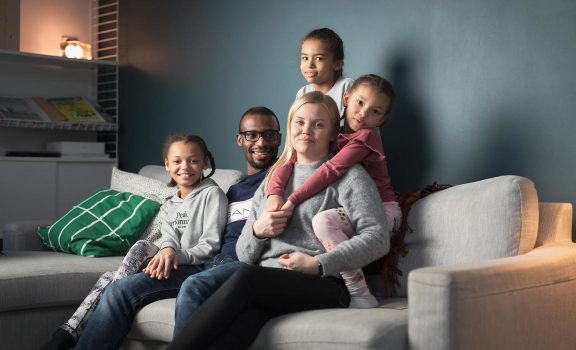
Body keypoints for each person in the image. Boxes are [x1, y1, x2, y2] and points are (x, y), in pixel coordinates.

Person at [167, 91, 390, 350]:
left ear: (332, 133)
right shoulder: (273, 179)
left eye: (318, 124)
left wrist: (319, 264)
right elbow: (245, 254)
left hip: (326, 283)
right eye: (299, 122)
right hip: (267, 282)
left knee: (245, 278)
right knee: (238, 330)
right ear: (290, 125)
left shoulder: (350, 176)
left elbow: (378, 237)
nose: (306, 130)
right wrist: (257, 231)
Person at [41, 134, 228, 350]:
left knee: (117, 286)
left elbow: (211, 246)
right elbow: (169, 238)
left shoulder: (212, 195)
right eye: (177, 161)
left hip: (196, 268)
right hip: (169, 265)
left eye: (193, 160)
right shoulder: (169, 205)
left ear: (205, 162)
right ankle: (66, 336)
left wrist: (176, 254)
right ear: (167, 164)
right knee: (111, 279)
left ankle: (66, 336)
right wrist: (168, 248)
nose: (185, 166)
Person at [266, 74, 401, 308]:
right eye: (360, 103)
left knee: (322, 221)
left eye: (375, 111)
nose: (363, 113)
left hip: (382, 210)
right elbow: (288, 160)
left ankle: (360, 293)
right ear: (346, 98)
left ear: (382, 119)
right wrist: (275, 193)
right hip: (350, 209)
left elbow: (331, 169)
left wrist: (292, 200)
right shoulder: (331, 130)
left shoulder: (366, 137)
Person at [172, 107, 282, 336]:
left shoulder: (282, 179)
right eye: (252, 135)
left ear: (279, 138)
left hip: (245, 267)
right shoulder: (232, 191)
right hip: (211, 263)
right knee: (124, 288)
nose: (261, 142)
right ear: (240, 139)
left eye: (269, 134)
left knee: (193, 287)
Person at [297, 27, 354, 116]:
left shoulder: (346, 86)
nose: (309, 65)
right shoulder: (303, 93)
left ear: (337, 64)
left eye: (319, 58)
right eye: (305, 58)